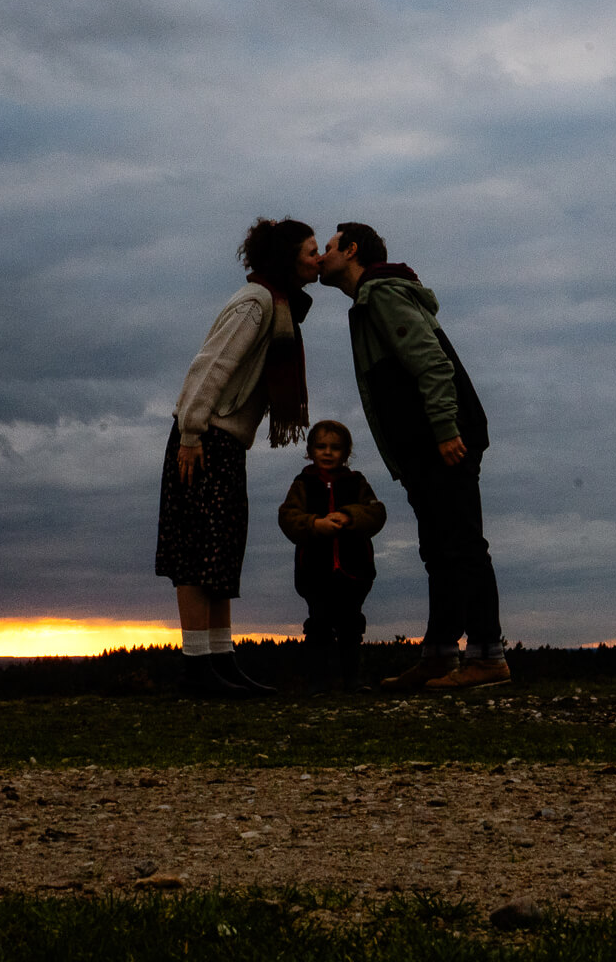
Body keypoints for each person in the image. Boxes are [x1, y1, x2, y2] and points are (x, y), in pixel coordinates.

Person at [317, 222, 510, 690]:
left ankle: (487, 655)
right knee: (439, 551)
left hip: (443, 440)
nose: (321, 258)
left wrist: (445, 429)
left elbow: (431, 362)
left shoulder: (381, 294)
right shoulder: (368, 303)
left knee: (462, 546)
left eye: (327, 248)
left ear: (352, 250)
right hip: (423, 448)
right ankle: (439, 655)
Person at [155, 217, 320, 696]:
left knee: (220, 552)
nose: (317, 259)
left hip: (224, 441)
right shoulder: (258, 301)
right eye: (311, 250)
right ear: (289, 256)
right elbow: (211, 366)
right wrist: (190, 433)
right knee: (195, 551)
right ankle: (197, 668)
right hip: (203, 437)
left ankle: (221, 660)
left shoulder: (279, 303)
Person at [278, 419, 387, 693]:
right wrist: (315, 524)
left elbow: (376, 513)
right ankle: (317, 683)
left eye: (335, 448)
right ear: (310, 450)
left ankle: (353, 681)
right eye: (321, 446)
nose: (328, 452)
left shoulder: (357, 482)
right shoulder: (302, 483)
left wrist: (349, 516)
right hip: (315, 572)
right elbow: (288, 517)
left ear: (346, 453)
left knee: (351, 625)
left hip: (354, 571)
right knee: (319, 625)